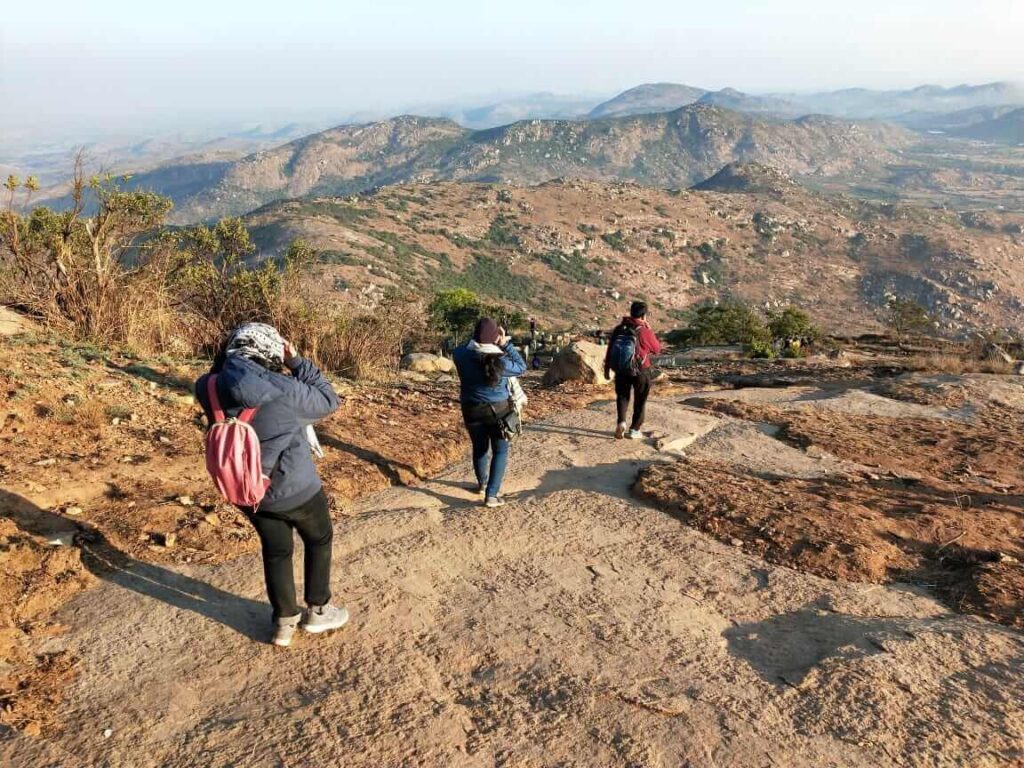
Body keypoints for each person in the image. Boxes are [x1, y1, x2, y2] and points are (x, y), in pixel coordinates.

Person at [196, 322, 348, 647]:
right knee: (319, 538)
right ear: (270, 352)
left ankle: (284, 623)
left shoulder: (206, 386)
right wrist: (294, 360)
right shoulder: (285, 391)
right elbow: (328, 399)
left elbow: (230, 379)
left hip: (247, 491)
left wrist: (228, 356)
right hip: (296, 488)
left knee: (277, 550)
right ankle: (318, 611)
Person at [453, 317, 527, 508]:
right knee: (500, 450)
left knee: (479, 448)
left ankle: (482, 484)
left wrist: (480, 338)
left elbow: (463, 347)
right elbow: (521, 367)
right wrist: (505, 344)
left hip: (471, 409)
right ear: (495, 337)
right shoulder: (500, 361)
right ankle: (491, 495)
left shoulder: (461, 355)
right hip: (499, 411)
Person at [604, 301, 662, 440]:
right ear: (644, 315)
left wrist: (607, 369)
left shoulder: (619, 329)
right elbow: (656, 349)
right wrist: (649, 330)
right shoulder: (644, 331)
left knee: (623, 397)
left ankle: (621, 422)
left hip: (621, 369)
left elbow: (610, 349)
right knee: (640, 400)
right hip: (641, 370)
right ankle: (634, 430)